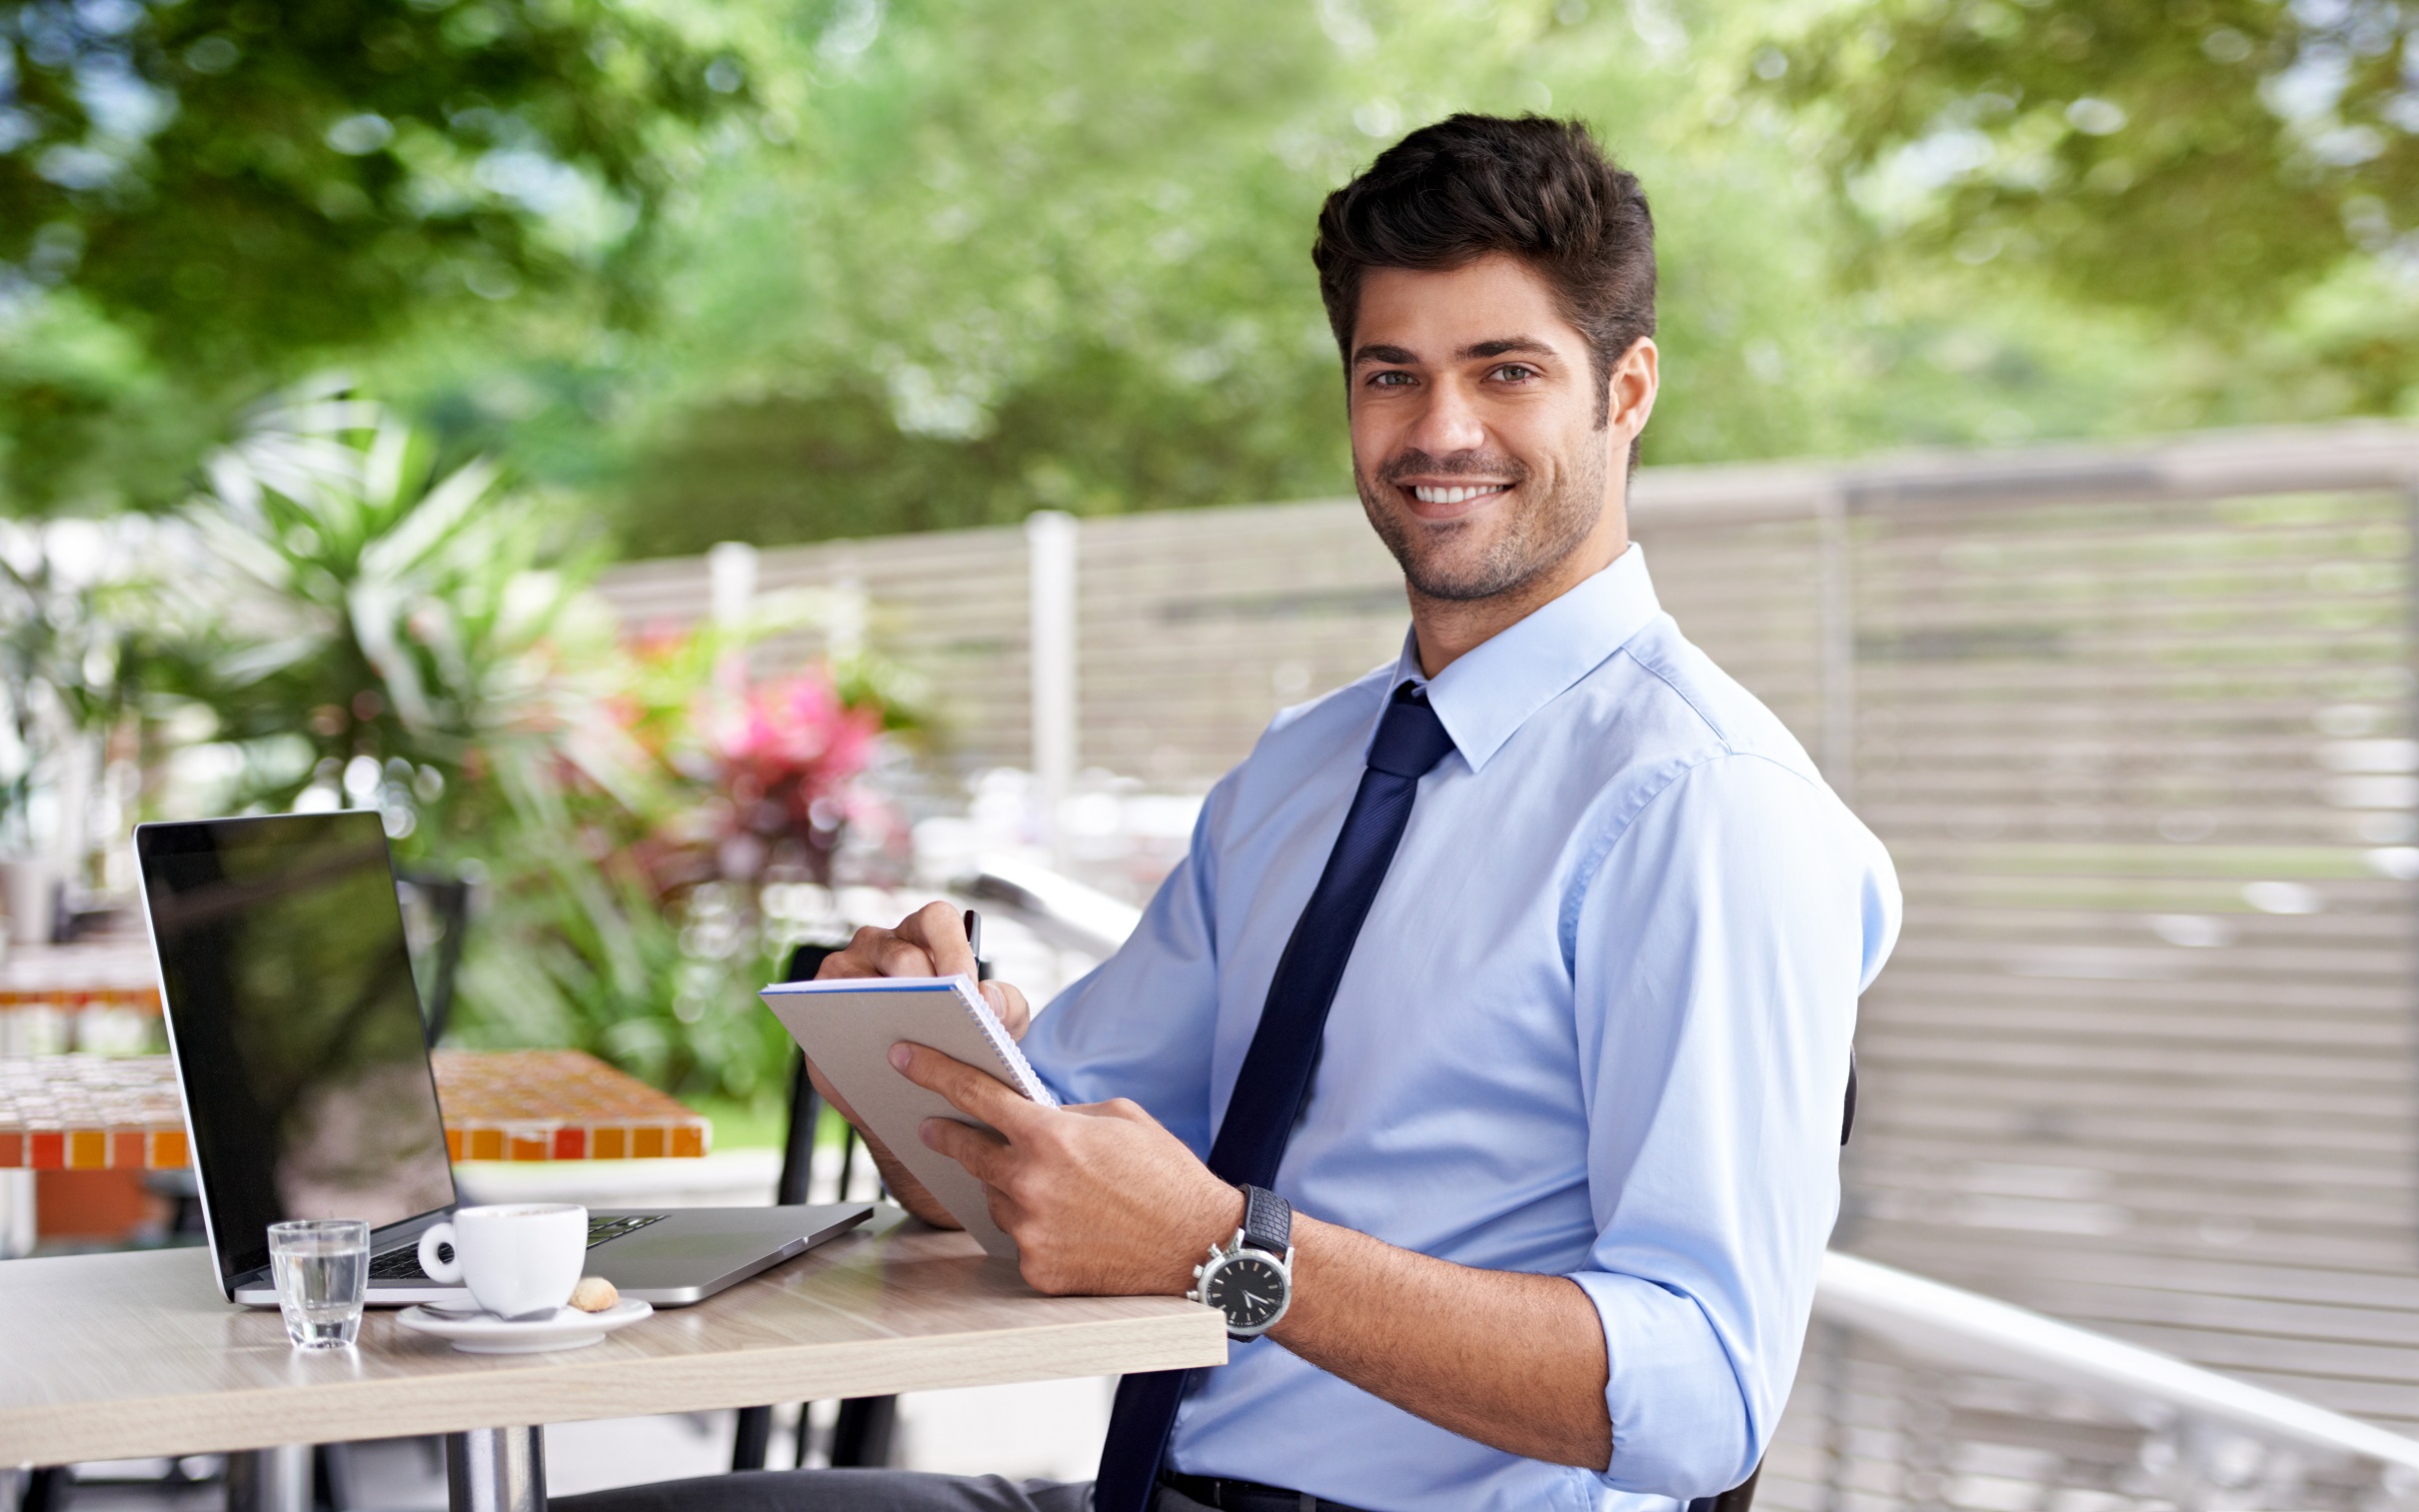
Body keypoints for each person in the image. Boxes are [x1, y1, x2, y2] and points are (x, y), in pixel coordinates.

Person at [561, 113, 1899, 1512]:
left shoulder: (1707, 808)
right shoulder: (1301, 775)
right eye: (1394, 374)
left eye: (1508, 371)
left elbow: (1706, 1398)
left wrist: (1224, 1249)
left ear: (1626, 393)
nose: (1441, 430)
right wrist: (915, 1062)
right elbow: (1040, 1187)